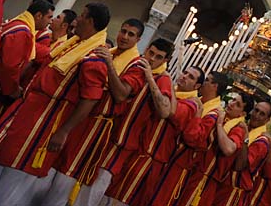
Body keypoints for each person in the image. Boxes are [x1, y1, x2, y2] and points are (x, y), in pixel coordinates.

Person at [0, 2, 110, 206]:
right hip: (29, 115)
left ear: (90, 21)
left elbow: (90, 99)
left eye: (82, 15)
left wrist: (64, 131)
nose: (76, 20)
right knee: (2, 168)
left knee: (15, 180)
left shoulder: (94, 58)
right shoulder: (73, 45)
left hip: (44, 124)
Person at [42, 18, 146, 205]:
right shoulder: (108, 52)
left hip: (96, 126)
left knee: (67, 175)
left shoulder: (136, 65)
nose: (124, 37)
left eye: (131, 34)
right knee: (50, 168)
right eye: (123, 31)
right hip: (79, 115)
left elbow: (121, 94)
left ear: (138, 40)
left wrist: (109, 66)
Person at [81, 37, 175, 206]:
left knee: (94, 188)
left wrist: (150, 78)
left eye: (158, 57)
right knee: (85, 179)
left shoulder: (162, 79)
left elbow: (165, 111)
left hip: (123, 143)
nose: (151, 59)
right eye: (150, 53)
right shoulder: (135, 64)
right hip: (106, 133)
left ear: (166, 60)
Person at [0, 0, 54, 148]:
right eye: (49, 17)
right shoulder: (23, 31)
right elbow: (9, 66)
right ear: (38, 16)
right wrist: (12, 90)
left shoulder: (16, 23)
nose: (50, 22)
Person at [148, 70, 230, 205]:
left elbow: (194, 139)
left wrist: (197, 116)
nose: (203, 83)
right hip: (170, 156)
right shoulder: (199, 100)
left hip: (182, 163)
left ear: (215, 87)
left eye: (208, 80)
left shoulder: (214, 113)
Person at [127, 65, 204, 206]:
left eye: (191, 77)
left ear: (197, 86)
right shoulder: (173, 91)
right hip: (138, 151)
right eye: (185, 72)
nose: (184, 76)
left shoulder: (192, 105)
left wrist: (162, 81)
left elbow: (169, 111)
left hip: (152, 160)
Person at [178, 90, 250, 205]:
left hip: (205, 181)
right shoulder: (221, 115)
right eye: (233, 100)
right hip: (193, 172)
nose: (231, 104)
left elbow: (228, 149)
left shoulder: (238, 128)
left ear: (243, 114)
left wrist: (219, 125)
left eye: (238, 105)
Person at [218, 100, 271, 206]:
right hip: (224, 187)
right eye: (256, 110)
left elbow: (240, 165)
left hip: (234, 194)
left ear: (267, 120)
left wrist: (245, 138)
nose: (256, 115)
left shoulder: (262, 141)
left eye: (262, 114)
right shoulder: (244, 127)